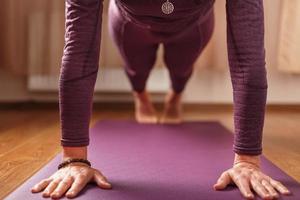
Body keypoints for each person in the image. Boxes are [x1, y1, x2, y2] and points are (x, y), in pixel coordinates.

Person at [31, 0, 291, 199]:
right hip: (130, 23)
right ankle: (140, 95)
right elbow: (80, 53)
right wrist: (73, 159)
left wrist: (248, 160)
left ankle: (175, 95)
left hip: (194, 24)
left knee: (181, 68)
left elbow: (248, 58)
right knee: (137, 68)